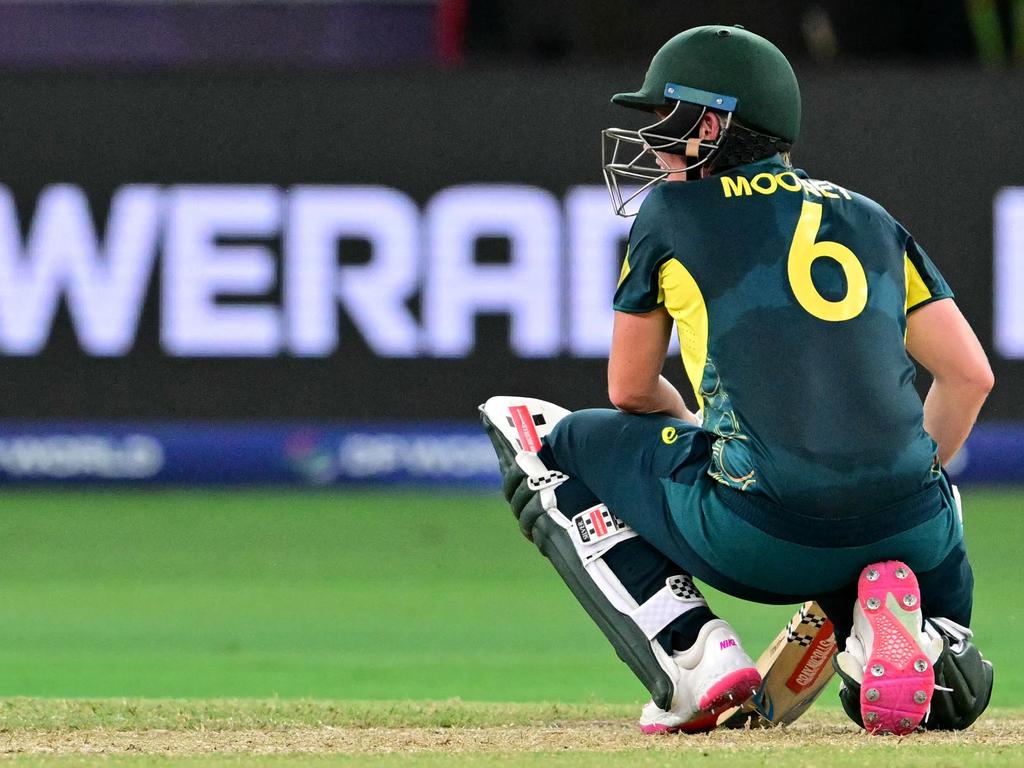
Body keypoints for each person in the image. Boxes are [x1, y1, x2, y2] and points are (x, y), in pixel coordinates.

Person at [480, 24, 994, 735]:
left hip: (761, 536)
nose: (655, 142)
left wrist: (699, 441)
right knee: (931, 692)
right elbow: (970, 376)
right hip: (917, 530)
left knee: (541, 437)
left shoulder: (674, 212)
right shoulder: (872, 218)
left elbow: (629, 390)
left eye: (667, 120)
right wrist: (894, 490)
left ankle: (694, 659)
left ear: (712, 124)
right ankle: (925, 646)